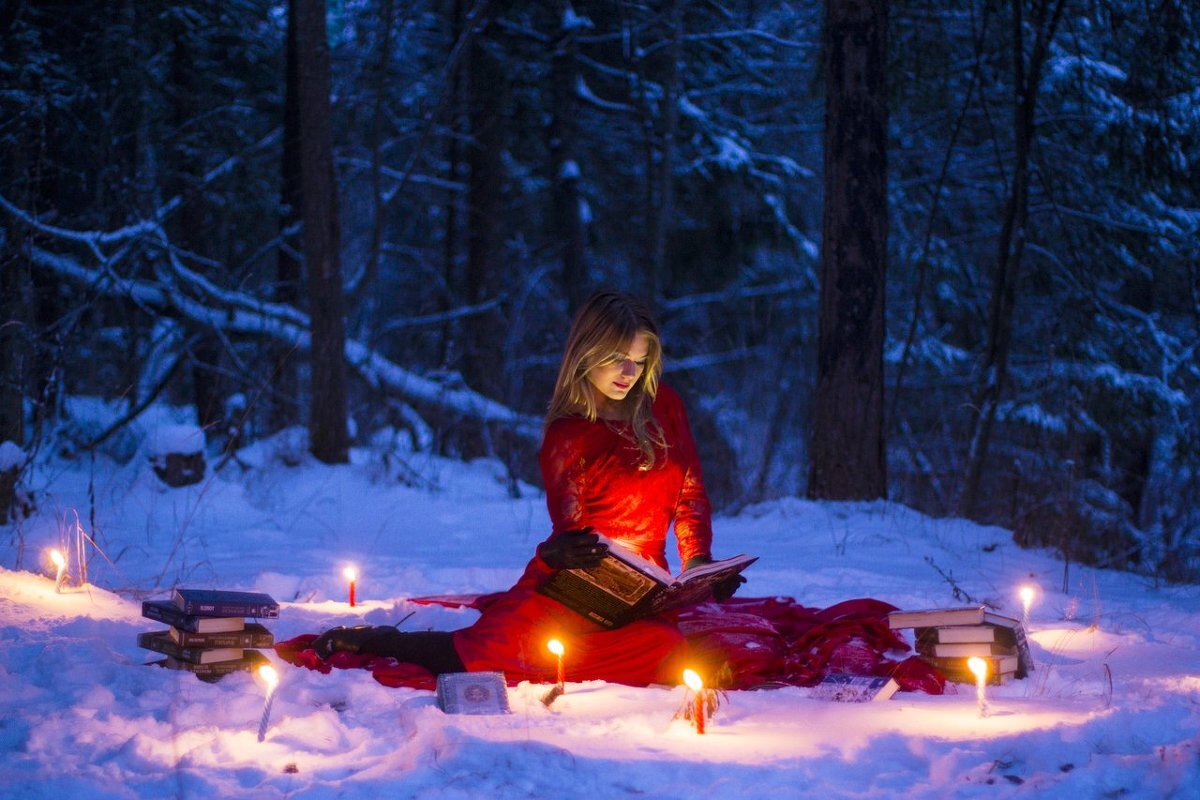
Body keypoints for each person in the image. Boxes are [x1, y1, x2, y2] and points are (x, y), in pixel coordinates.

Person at [311, 290, 743, 685]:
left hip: (646, 588)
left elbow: (690, 493)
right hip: (579, 582)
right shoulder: (568, 433)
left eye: (639, 360)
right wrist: (560, 551)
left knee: (663, 651)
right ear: (586, 353)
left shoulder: (665, 406)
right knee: (488, 654)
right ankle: (386, 641)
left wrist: (699, 566)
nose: (629, 372)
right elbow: (569, 530)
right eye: (616, 358)